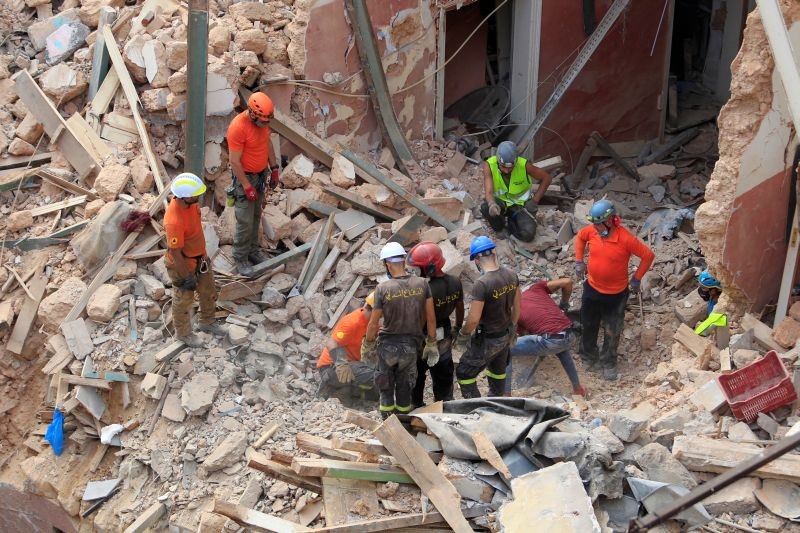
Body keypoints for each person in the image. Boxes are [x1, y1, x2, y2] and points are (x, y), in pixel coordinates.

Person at [574, 199, 654, 380]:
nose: (594, 228)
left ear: (609, 221)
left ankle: (608, 362)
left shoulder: (625, 238)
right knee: (588, 324)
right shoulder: (592, 232)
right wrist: (579, 261)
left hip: (615, 295)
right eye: (593, 224)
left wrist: (636, 279)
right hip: (592, 289)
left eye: (597, 224)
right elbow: (580, 237)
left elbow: (648, 256)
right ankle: (588, 355)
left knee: (612, 330)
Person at [362, 242, 438, 418]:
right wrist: (431, 343)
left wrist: (368, 344)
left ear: (387, 264)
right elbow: (431, 318)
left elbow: (373, 323)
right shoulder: (422, 284)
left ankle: (387, 425)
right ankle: (403, 423)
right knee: (405, 388)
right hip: (411, 346)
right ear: (403, 261)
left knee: (385, 387)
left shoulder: (383, 288)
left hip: (387, 346)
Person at [453, 236, 520, 398]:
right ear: (494, 254)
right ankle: (496, 402)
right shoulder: (511, 275)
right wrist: (512, 328)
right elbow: (517, 307)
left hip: (487, 339)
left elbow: (474, 319)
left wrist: (463, 335)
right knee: (497, 370)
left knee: (464, 373)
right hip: (504, 335)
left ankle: (477, 407)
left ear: (476, 260)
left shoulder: (482, 283)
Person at [163, 173, 225, 347]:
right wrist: (186, 276)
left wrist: (204, 257)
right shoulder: (174, 221)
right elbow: (175, 253)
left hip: (200, 258)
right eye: (195, 194)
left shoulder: (193, 206)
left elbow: (196, 232)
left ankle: (206, 321)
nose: (199, 196)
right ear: (185, 196)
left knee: (208, 291)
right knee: (183, 299)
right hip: (182, 263)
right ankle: (183, 334)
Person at [226, 92, 280, 277]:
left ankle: (253, 251)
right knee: (245, 220)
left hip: (260, 175)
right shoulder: (238, 128)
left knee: (257, 215)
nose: (266, 125)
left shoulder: (263, 124)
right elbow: (234, 162)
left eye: (268, 121)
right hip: (245, 178)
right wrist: (246, 186)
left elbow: (268, 144)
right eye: (263, 121)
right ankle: (240, 257)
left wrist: (274, 168)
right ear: (252, 113)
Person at [504, 278, 587, 397]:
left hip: (551, 340)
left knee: (506, 351)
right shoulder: (536, 289)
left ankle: (506, 395)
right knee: (562, 350)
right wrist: (563, 305)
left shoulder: (514, 312)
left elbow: (524, 335)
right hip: (570, 334)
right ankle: (577, 388)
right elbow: (567, 282)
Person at [406, 242, 464, 407]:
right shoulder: (455, 281)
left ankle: (415, 407)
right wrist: (458, 328)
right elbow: (460, 308)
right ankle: (444, 406)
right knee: (443, 375)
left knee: (416, 375)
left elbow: (422, 317)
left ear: (429, 268)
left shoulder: (425, 288)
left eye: (419, 268)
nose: (416, 271)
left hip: (423, 338)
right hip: (444, 335)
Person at [480, 140, 552, 242]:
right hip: (502, 204)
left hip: (520, 207)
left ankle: (511, 224)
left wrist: (534, 201)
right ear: (497, 160)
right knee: (485, 208)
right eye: (503, 166)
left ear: (516, 161)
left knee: (528, 234)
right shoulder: (489, 165)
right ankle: (500, 228)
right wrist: (492, 204)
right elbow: (489, 192)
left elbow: (547, 178)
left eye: (510, 168)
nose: (506, 171)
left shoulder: (524, 165)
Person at [316, 293, 377, 401]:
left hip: (354, 364)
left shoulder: (373, 323)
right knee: (374, 375)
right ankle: (329, 388)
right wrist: (341, 363)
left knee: (383, 372)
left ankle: (349, 392)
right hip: (331, 367)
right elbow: (331, 343)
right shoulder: (352, 322)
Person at [694, 271, 727, 337]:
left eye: (704, 288)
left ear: (714, 289)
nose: (702, 290)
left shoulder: (718, 307)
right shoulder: (712, 296)